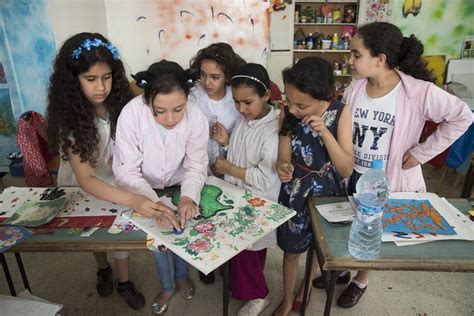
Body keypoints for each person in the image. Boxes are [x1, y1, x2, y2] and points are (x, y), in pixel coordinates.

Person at [322, 22, 472, 309]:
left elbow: (462, 116)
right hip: (353, 172)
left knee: (374, 229)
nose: (350, 61)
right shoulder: (356, 87)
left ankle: (361, 280)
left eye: (356, 55)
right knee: (347, 223)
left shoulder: (419, 92)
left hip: (385, 179)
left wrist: (423, 152)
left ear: (380, 59)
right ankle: (341, 268)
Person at [46, 32, 178, 310]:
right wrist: (135, 199)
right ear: (73, 79)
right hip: (86, 182)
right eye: (90, 79)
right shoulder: (70, 118)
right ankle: (102, 267)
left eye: (106, 77)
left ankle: (124, 281)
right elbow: (87, 179)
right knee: (94, 233)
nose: (100, 87)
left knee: (120, 233)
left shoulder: (123, 100)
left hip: (118, 176)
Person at [112, 60, 208, 315]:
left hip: (179, 183)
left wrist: (188, 196)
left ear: (187, 98)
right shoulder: (131, 115)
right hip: (143, 186)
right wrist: (152, 204)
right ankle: (167, 286)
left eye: (178, 109)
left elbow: (197, 164)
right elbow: (126, 170)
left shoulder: (196, 116)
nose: (170, 119)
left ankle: (181, 276)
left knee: (182, 227)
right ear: (146, 100)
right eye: (160, 111)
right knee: (158, 239)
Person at [273, 57, 354, 316]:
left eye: (302, 105)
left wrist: (325, 133)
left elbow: (345, 169)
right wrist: (283, 167)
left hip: (327, 194)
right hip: (295, 191)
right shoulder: (288, 111)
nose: (294, 109)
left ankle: (306, 287)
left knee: (319, 247)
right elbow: (283, 156)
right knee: (291, 250)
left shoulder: (341, 112)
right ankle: (287, 300)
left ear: (323, 97)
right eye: (290, 100)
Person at [211, 63, 279, 315]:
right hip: (237, 195)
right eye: (237, 102)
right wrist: (227, 143)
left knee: (248, 254)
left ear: (266, 96)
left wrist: (227, 167)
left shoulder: (273, 131)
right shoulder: (244, 120)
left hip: (258, 203)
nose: (241, 109)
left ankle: (260, 295)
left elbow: (263, 178)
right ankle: (245, 288)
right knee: (242, 252)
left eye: (247, 102)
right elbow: (241, 154)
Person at [188, 42, 246, 284]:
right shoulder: (193, 96)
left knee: (226, 211)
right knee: (202, 213)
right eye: (203, 75)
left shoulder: (237, 97)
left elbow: (245, 139)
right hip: (197, 165)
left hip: (229, 164)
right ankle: (206, 261)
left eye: (215, 77)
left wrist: (225, 141)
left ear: (228, 76)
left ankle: (227, 258)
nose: (207, 82)